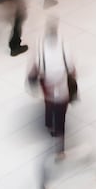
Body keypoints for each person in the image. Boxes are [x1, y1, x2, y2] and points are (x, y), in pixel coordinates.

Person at [28, 21, 76, 159]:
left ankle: (48, 123)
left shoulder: (41, 46)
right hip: (62, 89)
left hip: (47, 85)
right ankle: (60, 150)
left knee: (48, 103)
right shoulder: (63, 46)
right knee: (61, 120)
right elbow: (72, 69)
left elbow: (36, 67)